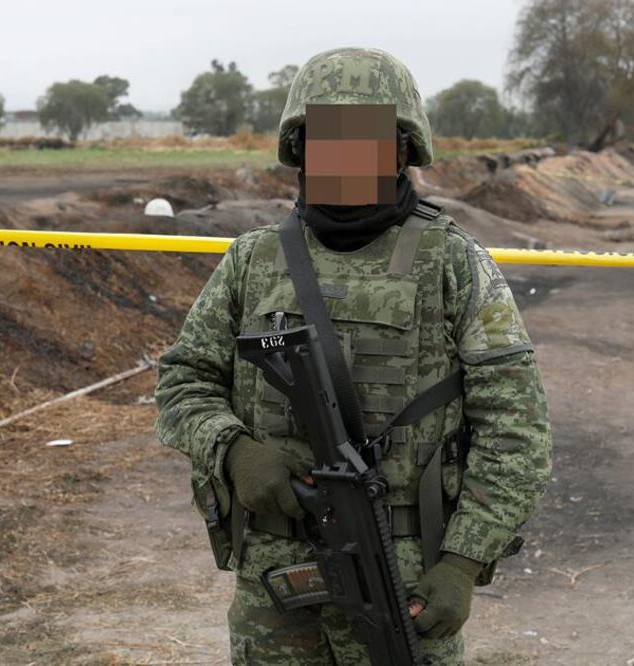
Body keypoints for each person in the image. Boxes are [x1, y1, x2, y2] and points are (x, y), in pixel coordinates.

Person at [156, 46, 552, 665]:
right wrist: (233, 450)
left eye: (365, 141)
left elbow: (516, 427)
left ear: (401, 151)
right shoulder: (251, 261)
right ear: (301, 148)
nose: (343, 156)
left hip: (403, 579)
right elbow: (184, 381)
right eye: (327, 140)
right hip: (273, 584)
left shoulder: (453, 262)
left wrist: (463, 560)